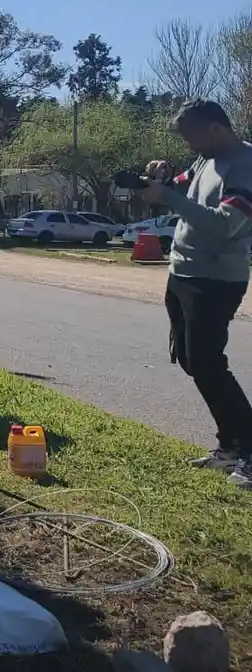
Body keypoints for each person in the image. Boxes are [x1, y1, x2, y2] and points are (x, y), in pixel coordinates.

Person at [136, 98, 252, 488]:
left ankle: (248, 449)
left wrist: (166, 198)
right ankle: (231, 446)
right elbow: (180, 187)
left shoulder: (245, 165)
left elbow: (224, 226)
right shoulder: (205, 160)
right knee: (191, 360)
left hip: (216, 279)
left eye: (191, 136)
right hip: (182, 273)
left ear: (215, 128)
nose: (188, 145)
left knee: (207, 362)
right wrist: (162, 177)